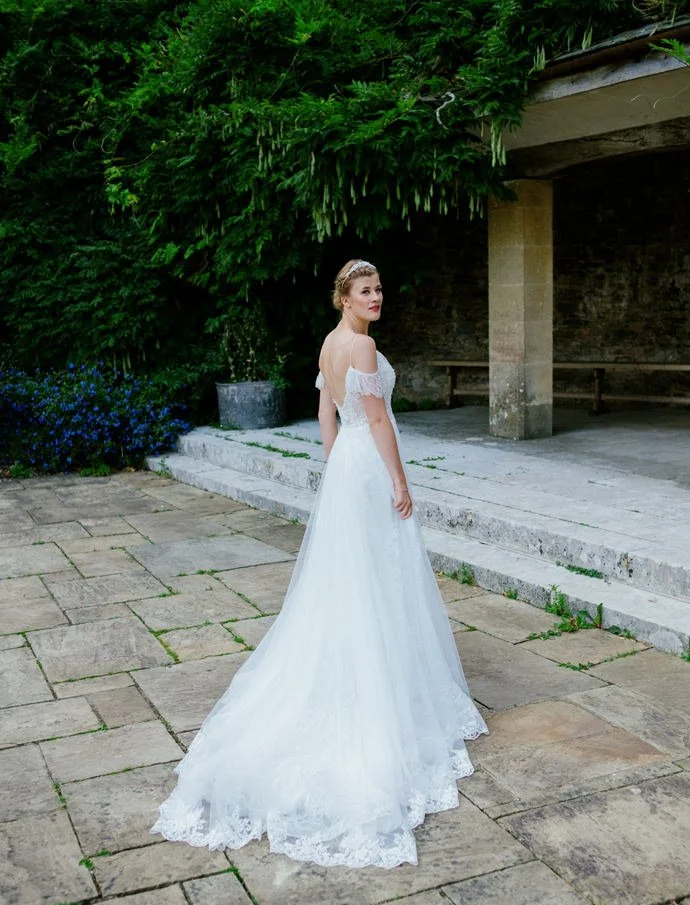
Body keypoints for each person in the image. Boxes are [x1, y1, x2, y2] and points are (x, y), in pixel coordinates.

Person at [152, 259, 487, 868]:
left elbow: (326, 415)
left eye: (380, 288)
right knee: (380, 577)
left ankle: (361, 661)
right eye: (367, 290)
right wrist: (398, 479)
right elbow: (379, 419)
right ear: (344, 298)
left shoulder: (329, 344)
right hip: (369, 466)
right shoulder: (360, 344)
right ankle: (379, 686)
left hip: (345, 470)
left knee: (349, 579)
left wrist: (336, 470)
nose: (377, 297)